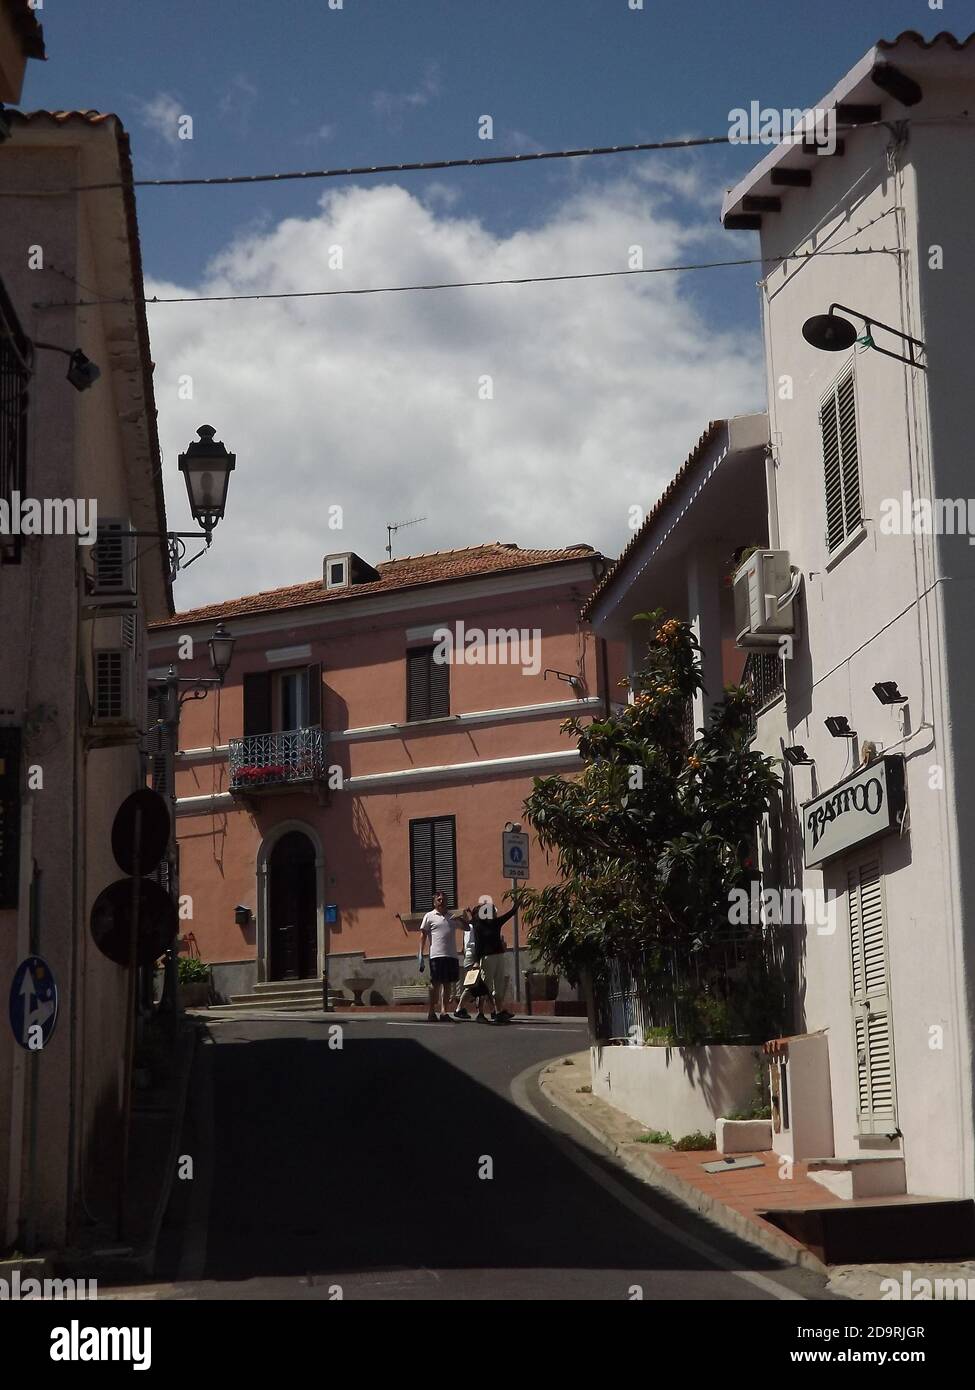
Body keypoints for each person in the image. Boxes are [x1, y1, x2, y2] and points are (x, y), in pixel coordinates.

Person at [468, 899, 516, 1024]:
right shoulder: (478, 925)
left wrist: (516, 905)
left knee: (499, 985)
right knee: (485, 986)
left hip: (499, 955)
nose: (493, 913)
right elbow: (478, 945)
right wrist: (477, 961)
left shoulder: (496, 922)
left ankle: (498, 1012)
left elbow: (509, 915)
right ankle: (480, 1013)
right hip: (487, 958)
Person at [419, 890, 463, 1021]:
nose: (442, 901)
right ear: (434, 902)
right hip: (436, 955)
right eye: (439, 899)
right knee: (435, 984)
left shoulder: (452, 917)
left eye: (444, 899)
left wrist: (462, 918)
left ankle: (444, 1012)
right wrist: (420, 954)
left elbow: (467, 927)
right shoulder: (429, 916)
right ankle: (431, 1011)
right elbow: (423, 935)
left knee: (447, 984)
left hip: (451, 955)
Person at [452, 911, 491, 1022]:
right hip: (473, 958)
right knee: (473, 984)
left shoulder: (475, 926)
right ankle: (461, 1008)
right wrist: (476, 960)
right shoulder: (472, 926)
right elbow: (471, 944)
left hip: (474, 957)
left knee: (476, 985)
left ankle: (479, 1012)